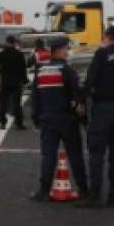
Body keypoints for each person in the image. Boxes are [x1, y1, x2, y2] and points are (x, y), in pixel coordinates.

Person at [78, 26, 114, 208]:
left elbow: (91, 80)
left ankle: (95, 195)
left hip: (103, 108)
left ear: (109, 38)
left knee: (96, 152)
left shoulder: (102, 54)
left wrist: (80, 100)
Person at [30, 37, 88, 200]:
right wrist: (82, 117)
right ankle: (84, 190)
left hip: (47, 119)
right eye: (66, 49)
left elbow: (36, 97)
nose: (67, 52)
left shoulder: (40, 71)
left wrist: (36, 118)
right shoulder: (67, 70)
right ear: (59, 50)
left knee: (48, 156)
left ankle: (43, 191)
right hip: (67, 119)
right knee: (75, 155)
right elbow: (76, 95)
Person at [0, 35, 28, 129]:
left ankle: (2, 122)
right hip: (16, 81)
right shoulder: (19, 54)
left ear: (6, 42)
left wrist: (2, 72)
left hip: (5, 81)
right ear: (14, 43)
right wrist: (25, 80)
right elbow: (23, 68)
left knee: (3, 103)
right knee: (17, 103)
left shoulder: (1, 54)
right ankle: (19, 123)